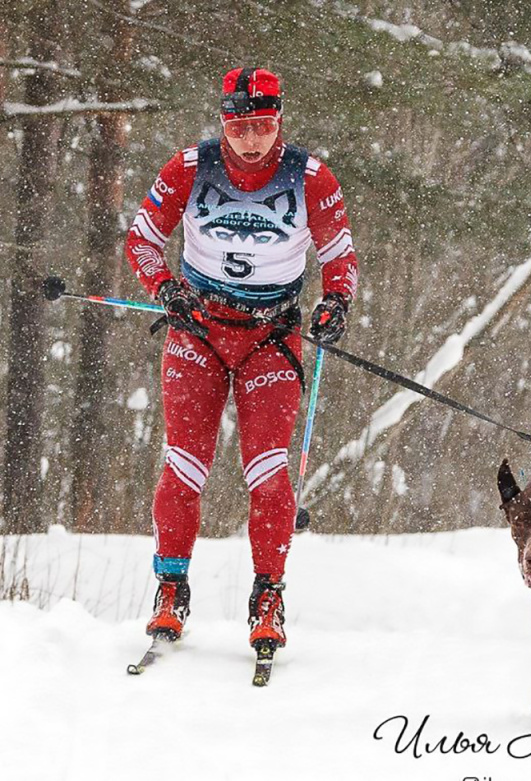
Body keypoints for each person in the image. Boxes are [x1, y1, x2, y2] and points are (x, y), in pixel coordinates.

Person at [124, 67, 358, 651]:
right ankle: (171, 589)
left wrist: (335, 302)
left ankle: (268, 597)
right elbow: (142, 240)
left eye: (262, 126)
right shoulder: (188, 167)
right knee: (184, 466)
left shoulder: (311, 178)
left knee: (268, 472)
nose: (251, 140)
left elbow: (340, 257)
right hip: (198, 332)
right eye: (239, 127)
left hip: (270, 339)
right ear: (223, 123)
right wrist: (164, 288)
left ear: (279, 120)